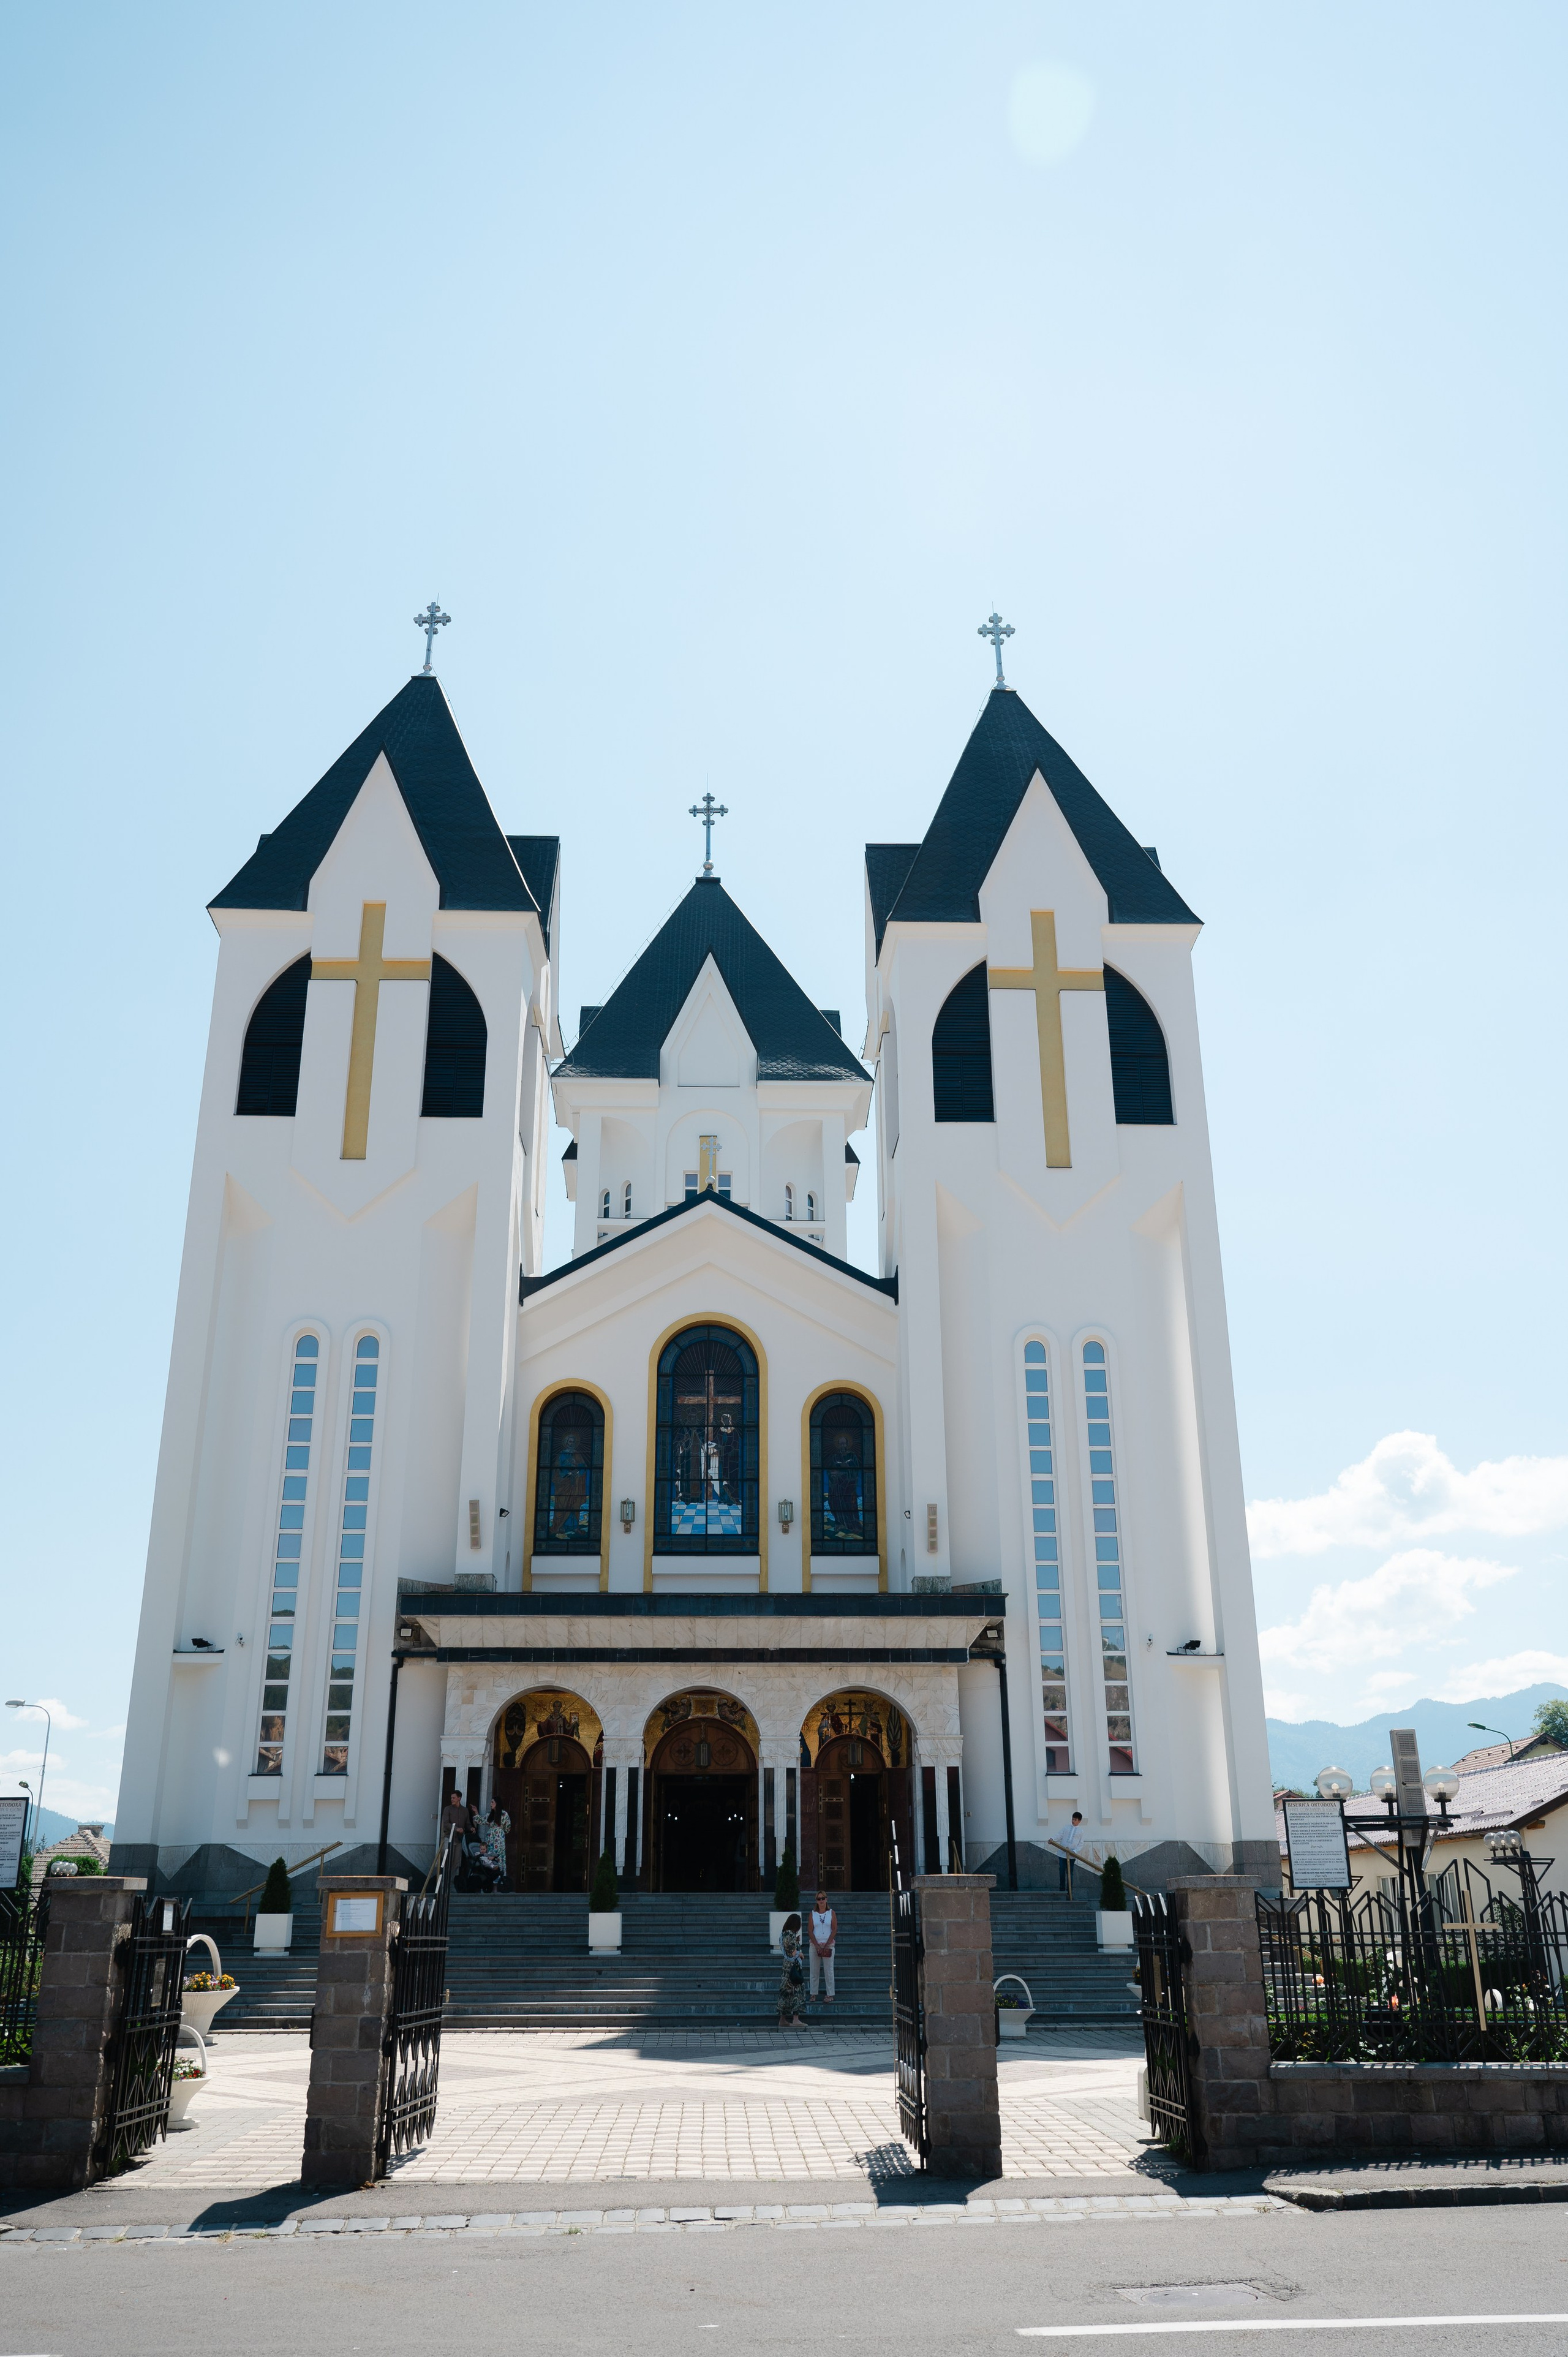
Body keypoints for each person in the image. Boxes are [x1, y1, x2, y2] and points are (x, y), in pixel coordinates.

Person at [777, 1913, 806, 2030]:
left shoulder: (784, 1934)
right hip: (793, 1968)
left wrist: (796, 1942)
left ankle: (783, 2020)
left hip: (786, 1968)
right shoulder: (790, 1934)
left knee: (785, 1993)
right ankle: (796, 2019)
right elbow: (793, 1952)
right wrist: (801, 1954)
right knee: (797, 1991)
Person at [808, 1888, 837, 2003]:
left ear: (826, 1899)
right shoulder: (813, 1914)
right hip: (815, 1945)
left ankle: (830, 1994)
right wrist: (816, 1945)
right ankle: (813, 1994)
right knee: (814, 1971)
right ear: (816, 1901)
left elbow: (834, 1930)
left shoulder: (832, 1913)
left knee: (829, 1971)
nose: (821, 1901)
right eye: (819, 1899)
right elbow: (810, 1930)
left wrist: (827, 1944)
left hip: (828, 1945)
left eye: (823, 1898)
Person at [484, 1799, 511, 1891]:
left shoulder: (504, 1814)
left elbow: (508, 1828)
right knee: (490, 1861)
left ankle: (499, 1885)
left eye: (492, 1802)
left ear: (497, 1804)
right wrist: (476, 1812)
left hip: (499, 1839)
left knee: (499, 1859)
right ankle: (490, 1885)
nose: (491, 1804)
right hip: (490, 1839)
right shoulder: (490, 1814)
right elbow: (483, 1821)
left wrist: (500, 1832)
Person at [1058, 1811, 1086, 1894]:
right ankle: (1062, 1888)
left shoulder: (1081, 1832)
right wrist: (1052, 1839)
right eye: (1073, 1819)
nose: (1073, 1821)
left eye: (1075, 1820)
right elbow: (1060, 1835)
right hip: (1062, 1854)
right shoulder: (1066, 1827)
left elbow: (1081, 1844)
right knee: (1062, 1871)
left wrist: (1075, 1851)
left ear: (1079, 1821)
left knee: (1070, 1873)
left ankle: (1070, 1890)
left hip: (1072, 1856)